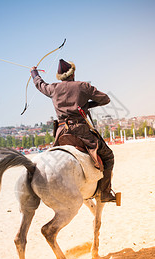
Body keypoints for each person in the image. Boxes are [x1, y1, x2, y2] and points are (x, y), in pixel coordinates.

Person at [30, 59, 115, 202]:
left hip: (62, 133)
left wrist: (34, 73)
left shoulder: (53, 88)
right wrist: (87, 105)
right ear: (73, 73)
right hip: (81, 131)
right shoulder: (83, 86)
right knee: (108, 156)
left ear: (59, 76)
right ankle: (105, 193)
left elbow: (40, 84)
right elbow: (105, 99)